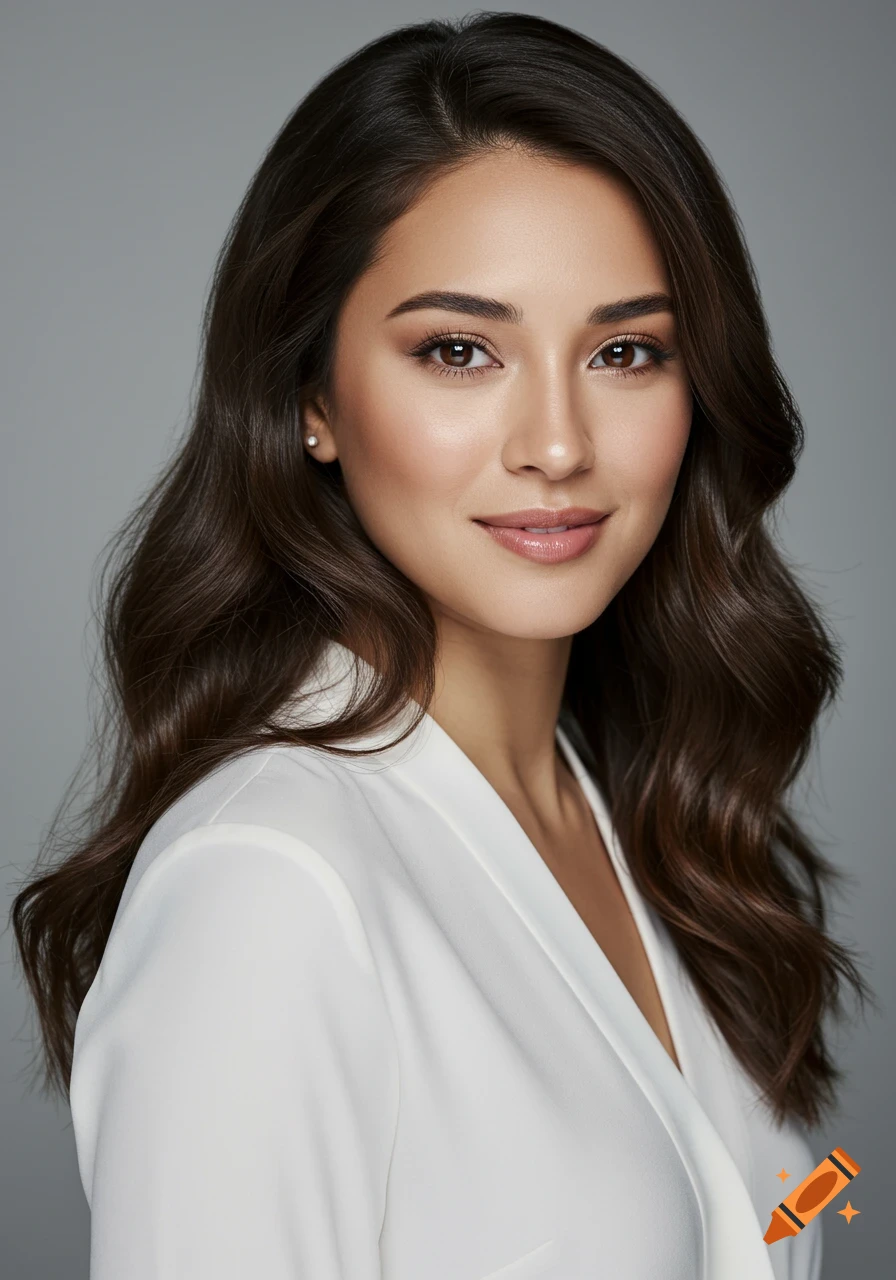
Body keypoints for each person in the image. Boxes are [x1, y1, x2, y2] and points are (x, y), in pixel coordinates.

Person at [10, 13, 872, 1280]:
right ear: (309, 397)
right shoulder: (271, 885)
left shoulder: (654, 821)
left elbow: (796, 1214)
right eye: (459, 350)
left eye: (624, 350)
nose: (558, 443)